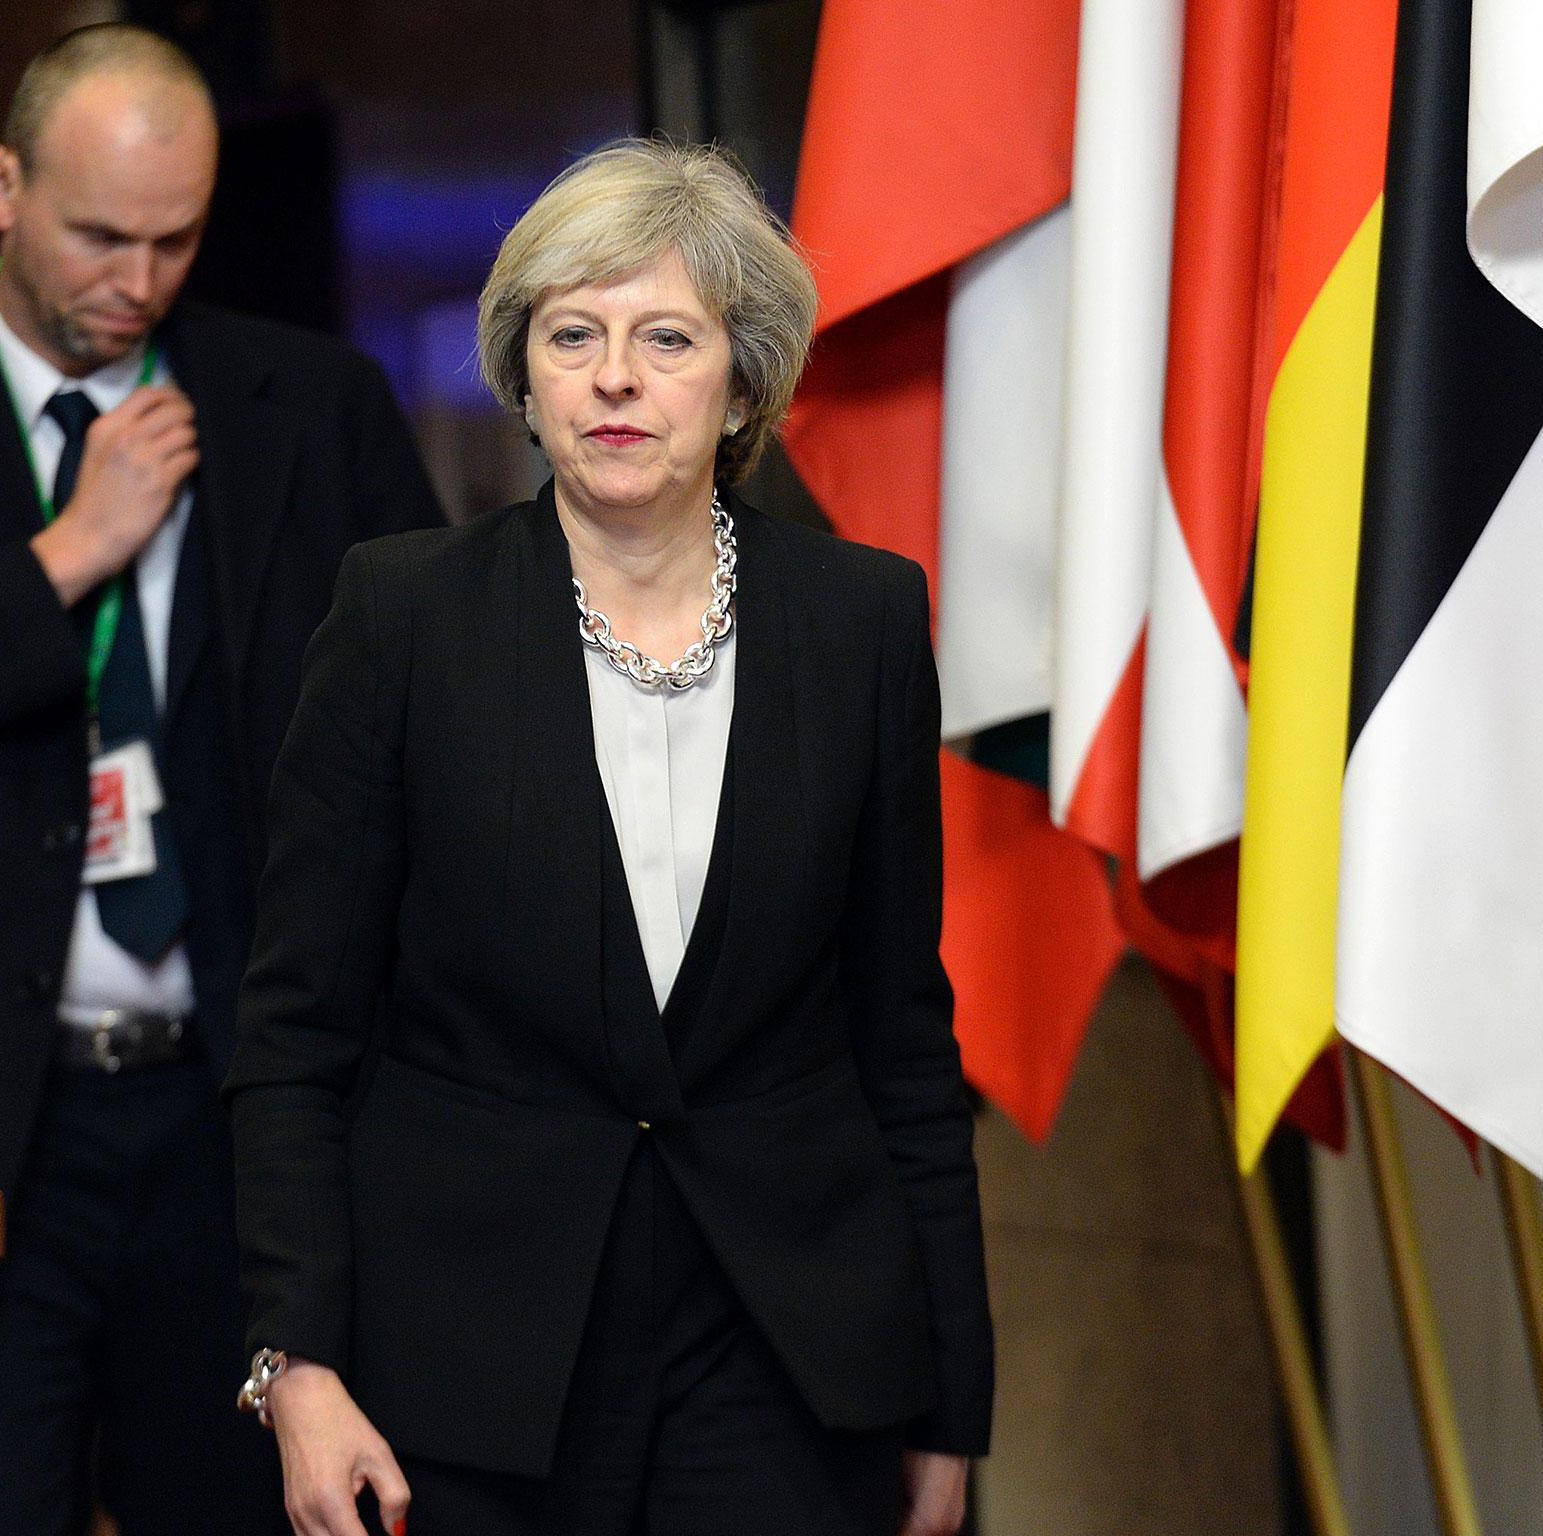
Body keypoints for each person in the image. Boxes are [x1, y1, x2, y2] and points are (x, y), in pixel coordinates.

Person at [225, 137, 993, 1536]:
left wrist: (952, 1398)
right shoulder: (402, 618)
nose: (616, 378)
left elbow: (902, 1036)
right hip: (467, 1369)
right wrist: (301, 1368)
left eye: (666, 338)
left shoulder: (861, 621)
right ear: (524, 377)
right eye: (572, 336)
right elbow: (295, 1032)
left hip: (787, 1360)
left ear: (744, 379)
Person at [0, 24, 443, 1536]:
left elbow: (422, 740)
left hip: (232, 1127)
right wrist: (65, 559)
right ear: (2, 184)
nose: (134, 284)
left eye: (174, 240)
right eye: (97, 235)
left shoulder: (311, 406)